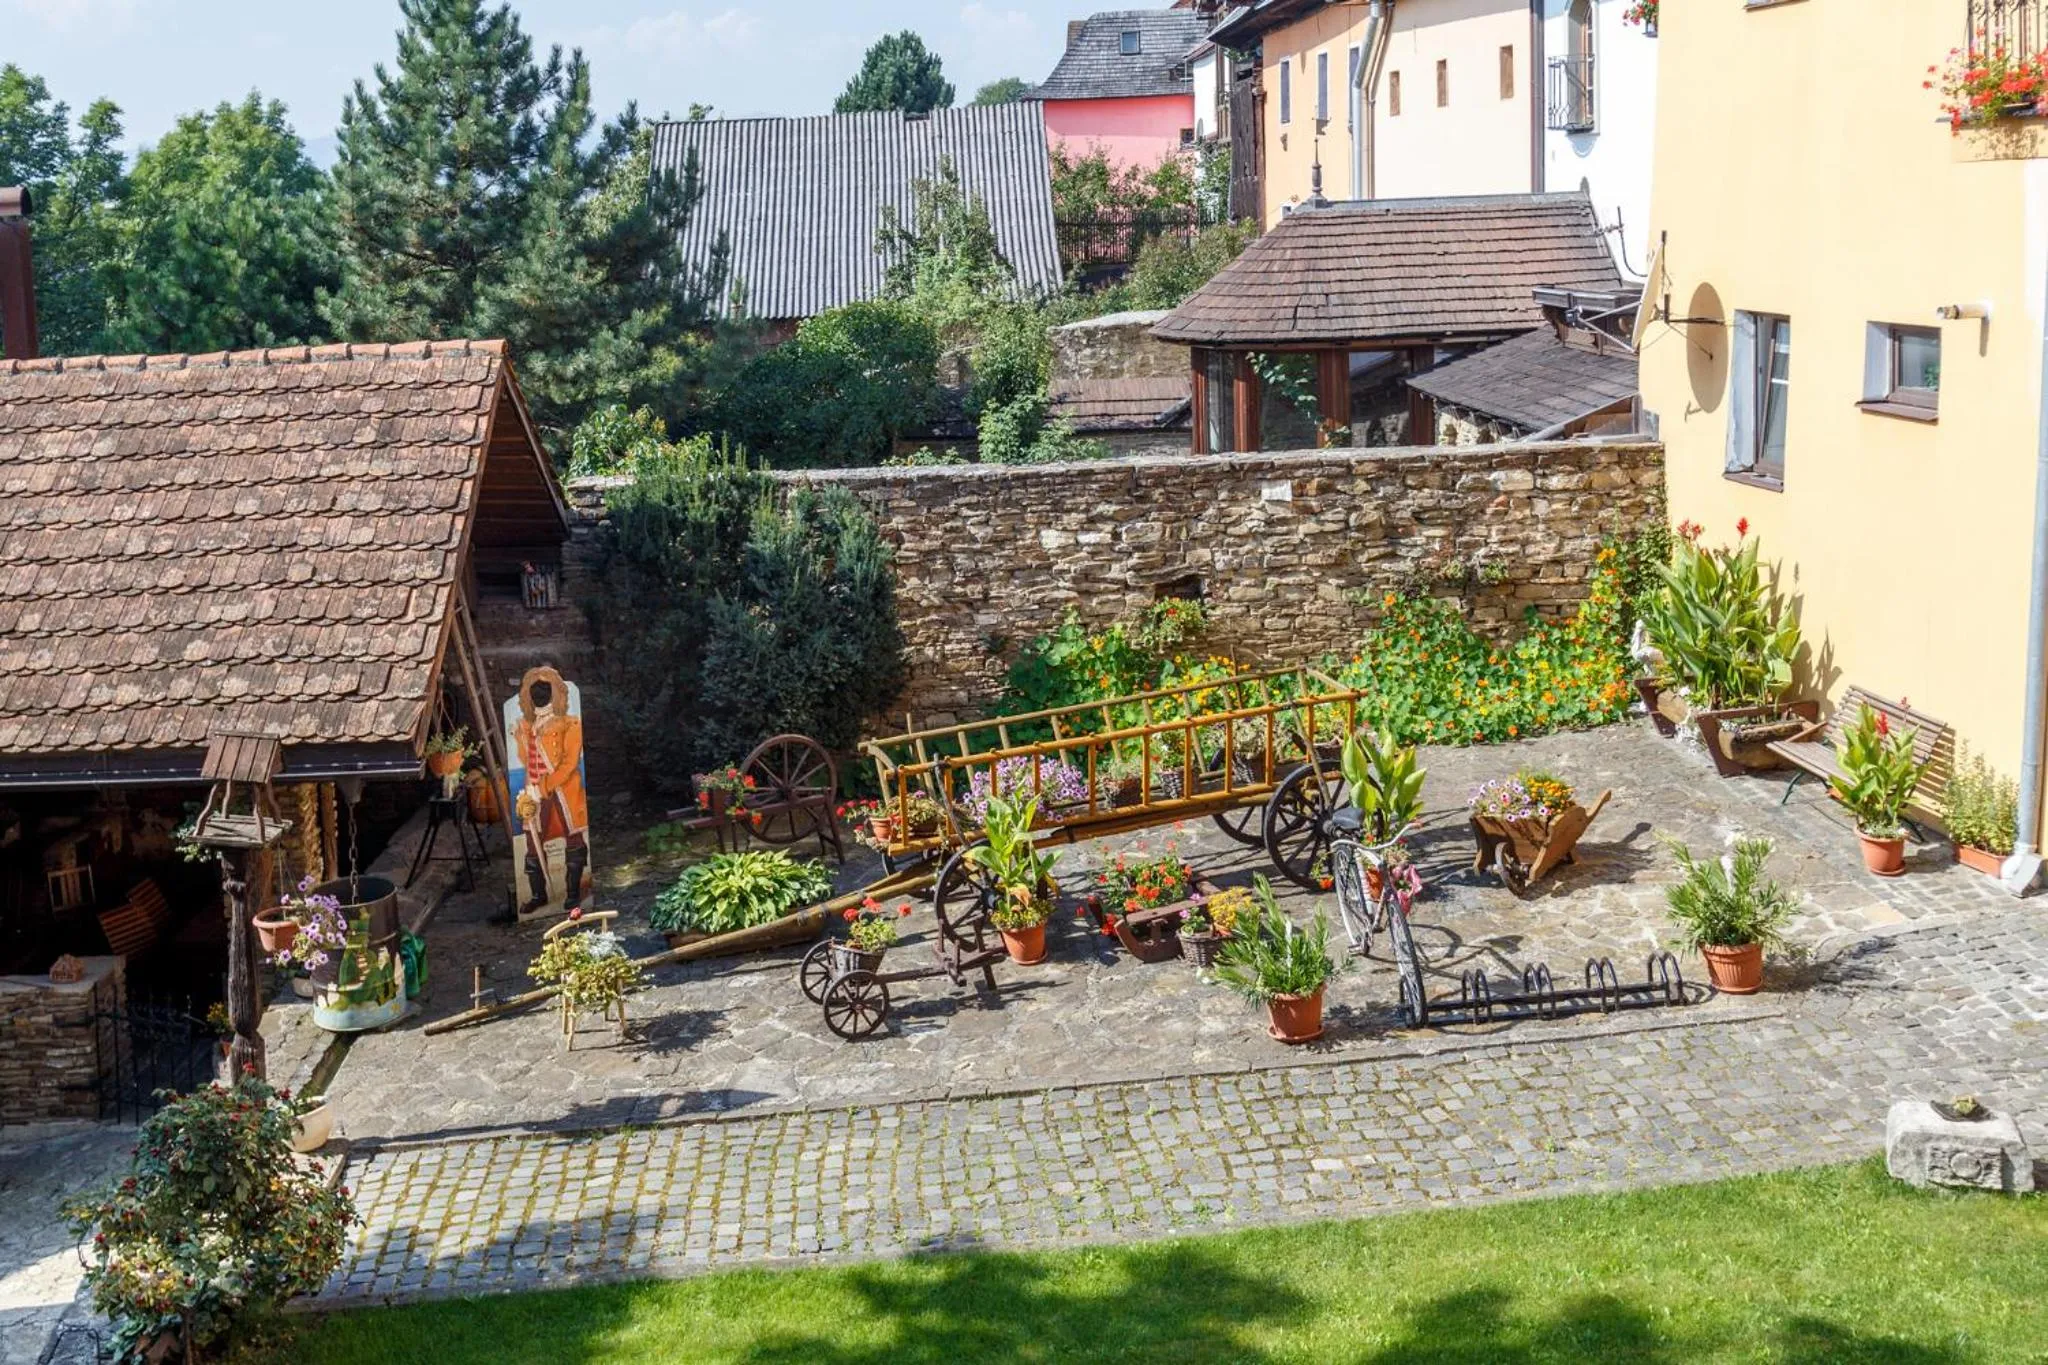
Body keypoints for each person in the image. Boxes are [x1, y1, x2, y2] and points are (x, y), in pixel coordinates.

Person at [510, 666, 589, 915]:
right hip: (534, 790)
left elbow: (569, 762)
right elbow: (527, 759)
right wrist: (519, 739)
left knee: (573, 837)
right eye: (536, 690)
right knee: (533, 843)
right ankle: (538, 895)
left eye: (545, 690)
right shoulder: (526, 725)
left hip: (561, 789)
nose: (540, 695)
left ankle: (574, 896)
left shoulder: (569, 723)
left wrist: (544, 786)